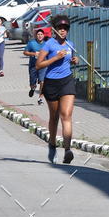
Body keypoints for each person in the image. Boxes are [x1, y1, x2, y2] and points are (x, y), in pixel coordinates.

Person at [36, 14, 78, 164]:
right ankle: (52, 145)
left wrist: (74, 60)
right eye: (60, 27)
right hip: (51, 83)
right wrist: (55, 58)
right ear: (55, 29)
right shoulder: (49, 45)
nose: (63, 30)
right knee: (54, 117)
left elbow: (71, 59)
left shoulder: (70, 44)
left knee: (66, 115)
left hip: (66, 81)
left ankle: (68, 150)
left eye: (65, 28)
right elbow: (39, 65)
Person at [23, 27, 47, 104]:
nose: (40, 36)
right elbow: (25, 52)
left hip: (43, 66)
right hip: (33, 66)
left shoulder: (46, 44)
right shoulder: (31, 43)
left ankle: (40, 98)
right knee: (33, 83)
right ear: (36, 36)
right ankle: (33, 89)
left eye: (41, 34)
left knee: (42, 82)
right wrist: (34, 54)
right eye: (38, 34)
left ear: (43, 35)